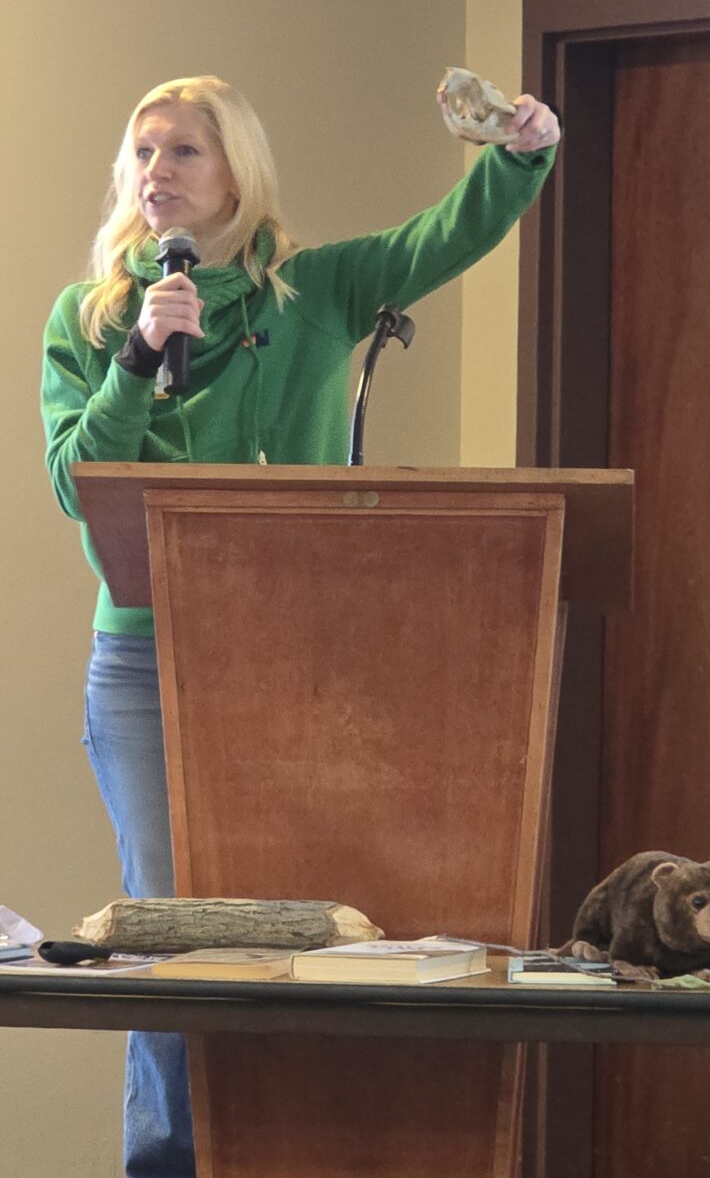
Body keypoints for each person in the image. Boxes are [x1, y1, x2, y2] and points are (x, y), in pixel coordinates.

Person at [41, 73, 560, 1177]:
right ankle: (169, 1160)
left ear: (237, 172)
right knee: (169, 923)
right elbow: (75, 480)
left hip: (295, 657)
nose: (156, 171)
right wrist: (136, 359)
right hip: (144, 657)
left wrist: (520, 155)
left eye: (183, 150)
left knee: (301, 918)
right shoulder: (92, 315)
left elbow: (441, 236)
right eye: (143, 151)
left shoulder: (318, 290)